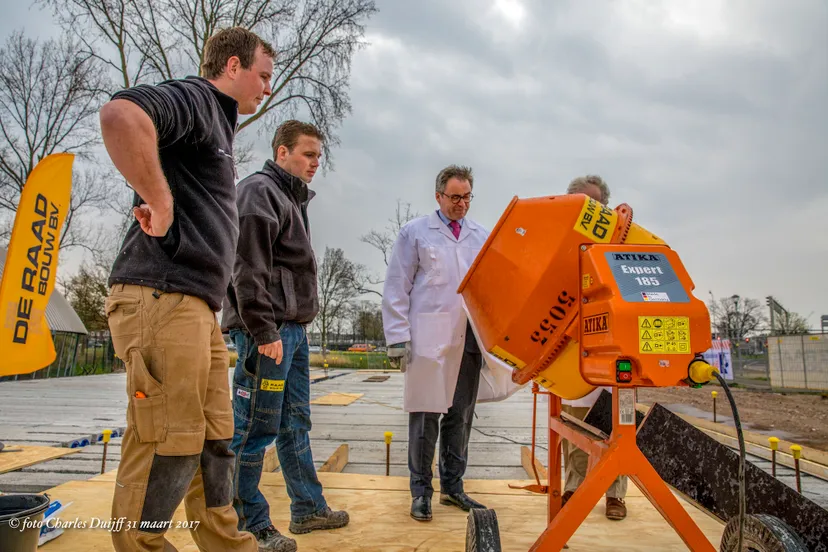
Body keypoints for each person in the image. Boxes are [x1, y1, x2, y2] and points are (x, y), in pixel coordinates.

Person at [100, 27, 275, 551]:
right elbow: (121, 115)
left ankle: (225, 543)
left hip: (196, 306)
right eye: (263, 75)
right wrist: (160, 197)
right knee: (167, 440)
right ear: (232, 67)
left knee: (214, 438)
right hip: (161, 294)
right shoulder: (199, 99)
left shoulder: (219, 130)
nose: (267, 87)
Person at [222, 120, 349, 550]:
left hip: (291, 332)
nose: (316, 163)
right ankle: (248, 524)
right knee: (255, 427)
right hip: (269, 333)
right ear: (281, 152)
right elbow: (246, 268)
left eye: (318, 156)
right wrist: (262, 330)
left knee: (295, 423)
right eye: (308, 154)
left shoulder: (290, 199)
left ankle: (308, 509)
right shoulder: (259, 192)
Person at [381, 165, 490, 522]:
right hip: (428, 339)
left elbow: (492, 289)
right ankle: (421, 492)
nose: (462, 204)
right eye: (455, 197)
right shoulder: (415, 233)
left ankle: (454, 489)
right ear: (439, 196)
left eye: (467, 196)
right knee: (425, 416)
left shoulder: (480, 236)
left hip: (468, 339)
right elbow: (398, 285)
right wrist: (397, 337)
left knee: (460, 417)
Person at [561, 175, 628, 521]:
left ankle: (615, 494)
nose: (590, 209)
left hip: (610, 346)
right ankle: (573, 487)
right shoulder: (559, 243)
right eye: (582, 202)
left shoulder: (622, 242)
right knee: (573, 424)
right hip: (571, 347)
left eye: (596, 204)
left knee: (616, 427)